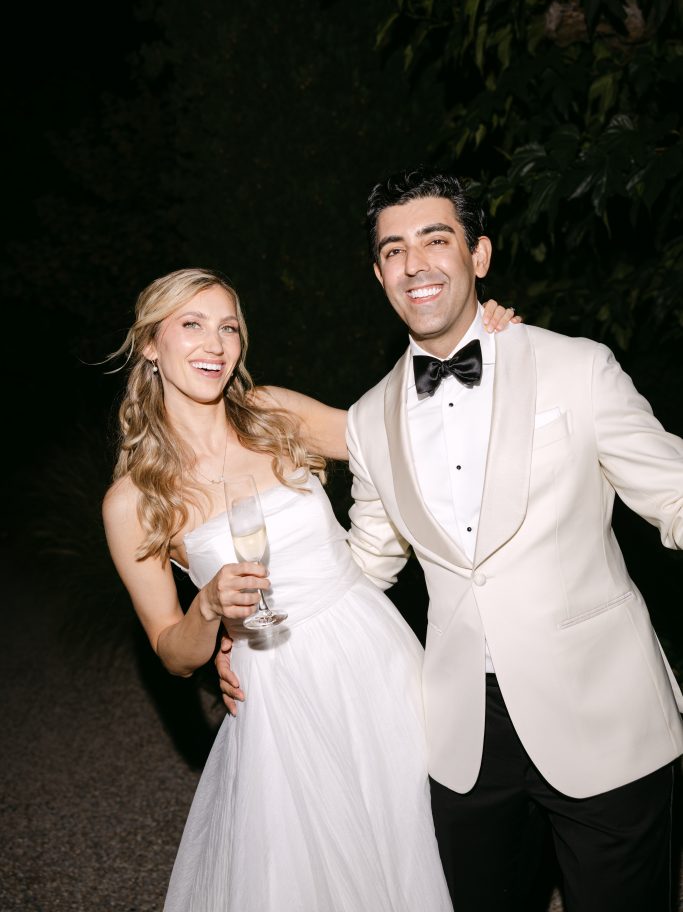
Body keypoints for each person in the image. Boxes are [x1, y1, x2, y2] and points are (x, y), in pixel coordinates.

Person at [102, 266, 517, 912]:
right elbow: (170, 650)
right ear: (150, 344)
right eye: (192, 325)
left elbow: (402, 433)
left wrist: (476, 348)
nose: (214, 344)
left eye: (228, 327)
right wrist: (207, 609)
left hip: (371, 653)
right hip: (277, 690)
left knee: (427, 841)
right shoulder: (132, 500)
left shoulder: (271, 412)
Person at [338, 167, 683, 912]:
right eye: (393, 250)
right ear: (377, 273)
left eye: (436, 239)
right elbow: (364, 565)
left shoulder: (577, 366)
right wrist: (257, 637)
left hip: (602, 710)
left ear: (479, 255)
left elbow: (673, 492)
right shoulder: (365, 420)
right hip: (462, 738)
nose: (414, 264)